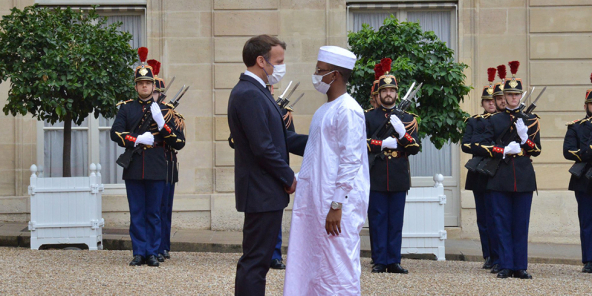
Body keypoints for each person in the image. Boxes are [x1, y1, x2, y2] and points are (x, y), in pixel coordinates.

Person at [284, 46, 369, 295]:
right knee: (312, 264)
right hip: (315, 201)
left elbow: (351, 161)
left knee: (338, 267)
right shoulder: (323, 110)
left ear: (335, 75)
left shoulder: (349, 110)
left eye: (320, 71)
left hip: (337, 206)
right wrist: (298, 180)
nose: (316, 75)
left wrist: (337, 205)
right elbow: (315, 157)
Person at [227, 34, 299, 296]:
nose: (281, 67)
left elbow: (281, 138)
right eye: (278, 61)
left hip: (265, 191)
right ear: (261, 60)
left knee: (259, 260)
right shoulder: (248, 93)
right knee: (256, 261)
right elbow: (263, 147)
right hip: (261, 190)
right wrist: (288, 177)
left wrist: (320, 141)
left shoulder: (258, 91)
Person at [110, 47, 180, 267]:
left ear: (153, 85)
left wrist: (162, 124)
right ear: (136, 86)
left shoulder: (164, 109)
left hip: (157, 165)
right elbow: (116, 132)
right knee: (137, 212)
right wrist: (137, 140)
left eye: (148, 83)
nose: (144, 86)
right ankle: (139, 251)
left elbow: (179, 141)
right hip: (134, 165)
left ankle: (152, 251)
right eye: (140, 83)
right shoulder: (126, 109)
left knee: (154, 213)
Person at [473, 61, 541, 279]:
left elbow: (537, 149)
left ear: (521, 96)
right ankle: (504, 264)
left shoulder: (530, 120)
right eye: (510, 94)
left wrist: (524, 139)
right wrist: (502, 150)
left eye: (516, 94)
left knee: (520, 224)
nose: (513, 98)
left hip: (522, 175)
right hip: (499, 175)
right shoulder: (494, 120)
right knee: (501, 222)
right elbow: (482, 146)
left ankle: (519, 265)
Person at [364, 58, 420, 274]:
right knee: (377, 220)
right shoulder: (367, 117)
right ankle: (379, 260)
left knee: (395, 221)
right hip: (376, 173)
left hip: (397, 174)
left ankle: (394, 260)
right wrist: (380, 144)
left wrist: (403, 133)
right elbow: (358, 142)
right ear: (378, 94)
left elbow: (415, 147)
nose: (388, 94)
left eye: (392, 90)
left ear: (397, 94)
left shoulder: (407, 118)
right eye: (384, 90)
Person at [146, 59, 187, 262]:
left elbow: (179, 141)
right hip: (146, 163)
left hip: (166, 163)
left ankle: (163, 246)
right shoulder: (140, 110)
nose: (154, 95)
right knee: (149, 209)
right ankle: (150, 247)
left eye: (156, 92)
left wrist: (163, 121)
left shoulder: (171, 114)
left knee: (164, 208)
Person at [462, 68, 498, 270]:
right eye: (487, 101)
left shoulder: (502, 122)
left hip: (496, 172)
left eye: (493, 100)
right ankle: (488, 255)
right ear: (482, 103)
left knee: (496, 217)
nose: (491, 103)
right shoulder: (474, 121)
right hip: (479, 174)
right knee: (483, 218)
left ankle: (498, 255)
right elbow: (467, 145)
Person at [562, 73, 592, 274]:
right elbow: (568, 150)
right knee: (587, 221)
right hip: (585, 180)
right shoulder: (577, 127)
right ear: (586, 106)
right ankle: (589, 259)